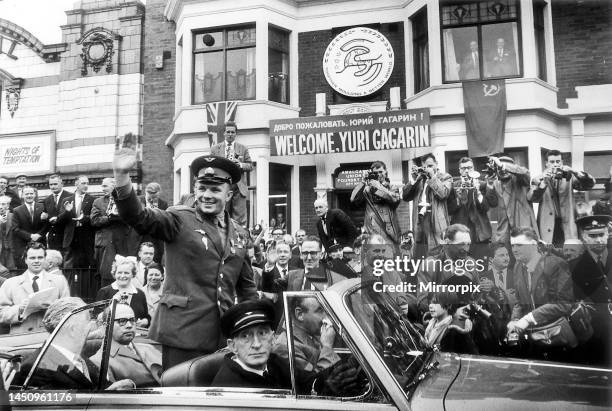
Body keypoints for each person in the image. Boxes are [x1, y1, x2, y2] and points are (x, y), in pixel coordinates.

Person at [113, 133, 257, 370]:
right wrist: (122, 177)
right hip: (182, 334)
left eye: (215, 189)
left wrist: (251, 327)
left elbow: (247, 288)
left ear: (229, 194)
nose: (206, 195)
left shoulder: (240, 233)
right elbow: (138, 217)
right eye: (202, 188)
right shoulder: (179, 219)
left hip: (223, 337)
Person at [21, 297, 135, 390]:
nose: (91, 326)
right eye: (88, 320)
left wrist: (118, 389)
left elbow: (103, 387)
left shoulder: (81, 359)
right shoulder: (37, 367)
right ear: (72, 328)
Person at [507, 228, 574, 342]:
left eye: (519, 245)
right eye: (512, 246)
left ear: (533, 244)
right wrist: (515, 319)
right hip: (534, 335)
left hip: (558, 334)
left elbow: (563, 304)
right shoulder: (518, 266)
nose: (514, 250)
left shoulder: (556, 264)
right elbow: (519, 301)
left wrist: (528, 319)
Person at [569, 215, 612, 366]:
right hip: (595, 335)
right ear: (583, 237)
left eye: (602, 234)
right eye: (592, 236)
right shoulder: (572, 267)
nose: (599, 240)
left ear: (608, 234)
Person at [528, 150, 595, 246]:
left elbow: (589, 185)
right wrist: (543, 184)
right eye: (552, 162)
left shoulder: (570, 177)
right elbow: (532, 198)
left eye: (558, 161)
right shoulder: (538, 179)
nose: (555, 165)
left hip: (568, 224)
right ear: (546, 164)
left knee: (570, 251)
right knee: (550, 254)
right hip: (548, 224)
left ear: (562, 162)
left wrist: (574, 171)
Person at [0, 243, 69, 334]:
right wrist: (20, 309)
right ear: (25, 260)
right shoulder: (11, 283)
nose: (36, 261)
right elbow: (1, 314)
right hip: (21, 339)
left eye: (40, 257)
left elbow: (68, 311)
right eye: (32, 258)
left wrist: (53, 308)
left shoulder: (59, 281)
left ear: (45, 259)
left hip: (50, 336)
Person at [91, 304, 162, 387]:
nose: (129, 325)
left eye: (132, 320)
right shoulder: (100, 362)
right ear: (106, 326)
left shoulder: (148, 347)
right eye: (122, 321)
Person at [91, 177, 138, 287]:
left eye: (105, 186)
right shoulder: (98, 202)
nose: (102, 189)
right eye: (102, 186)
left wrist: (119, 216)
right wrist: (109, 218)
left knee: (122, 273)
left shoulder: (124, 201)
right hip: (104, 245)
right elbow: (94, 220)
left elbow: (132, 218)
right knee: (104, 276)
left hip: (121, 243)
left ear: (114, 186)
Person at [402, 154, 453, 257]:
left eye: (430, 166)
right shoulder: (419, 179)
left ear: (436, 164)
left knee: (438, 252)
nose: (428, 169)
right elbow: (405, 197)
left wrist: (432, 177)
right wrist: (413, 179)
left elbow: (443, 193)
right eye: (425, 167)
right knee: (420, 252)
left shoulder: (445, 177)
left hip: (435, 221)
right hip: (419, 221)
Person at [273, 296, 340, 373]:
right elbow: (315, 379)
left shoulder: (312, 335)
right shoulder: (286, 347)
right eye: (320, 310)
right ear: (300, 314)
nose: (326, 317)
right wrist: (327, 347)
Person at [450, 157, 498, 260]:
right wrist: (458, 198)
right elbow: (449, 210)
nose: (466, 171)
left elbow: (490, 205)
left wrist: (479, 193)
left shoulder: (482, 184)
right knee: (461, 269)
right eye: (463, 168)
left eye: (469, 168)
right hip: (460, 236)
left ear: (473, 168)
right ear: (459, 170)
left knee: (482, 268)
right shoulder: (454, 186)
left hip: (480, 235)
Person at [210, 121, 254, 226]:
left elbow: (251, 166)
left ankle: (239, 240)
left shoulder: (243, 148)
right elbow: (211, 166)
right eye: (228, 132)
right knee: (221, 215)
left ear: (235, 134)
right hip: (223, 186)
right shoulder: (215, 149)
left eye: (232, 132)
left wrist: (240, 165)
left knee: (240, 219)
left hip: (238, 187)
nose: (230, 134)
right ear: (224, 133)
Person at [488, 156, 539, 244]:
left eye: (505, 168)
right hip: (504, 232)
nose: (503, 171)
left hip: (523, 229)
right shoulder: (495, 183)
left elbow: (524, 172)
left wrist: (502, 165)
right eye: (499, 168)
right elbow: (492, 203)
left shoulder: (521, 179)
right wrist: (489, 185)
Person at [351, 161, 402, 247]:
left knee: (389, 258)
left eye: (381, 172)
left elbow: (394, 199)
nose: (379, 175)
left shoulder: (393, 188)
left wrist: (378, 186)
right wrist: (363, 182)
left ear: (386, 172)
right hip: (372, 231)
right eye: (375, 173)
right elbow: (353, 199)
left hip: (389, 233)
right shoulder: (367, 189)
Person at [95, 257, 150, 328]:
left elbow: (146, 317)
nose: (123, 276)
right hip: (111, 336)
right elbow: (97, 319)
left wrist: (145, 321)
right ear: (114, 274)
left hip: (137, 336)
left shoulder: (140, 294)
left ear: (133, 274)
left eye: (126, 273)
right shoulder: (104, 292)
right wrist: (113, 304)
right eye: (119, 272)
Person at [57, 175, 95, 269]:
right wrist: (67, 211)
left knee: (85, 269)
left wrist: (84, 218)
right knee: (69, 268)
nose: (86, 186)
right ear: (76, 184)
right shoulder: (67, 200)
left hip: (86, 238)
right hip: (71, 239)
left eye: (87, 183)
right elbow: (60, 221)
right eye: (83, 183)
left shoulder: (92, 200)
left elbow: (94, 218)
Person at [12, 187, 47, 269]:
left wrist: (39, 234)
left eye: (31, 193)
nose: (29, 196)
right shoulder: (17, 210)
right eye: (26, 194)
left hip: (41, 243)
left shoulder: (43, 207)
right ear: (22, 195)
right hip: (24, 245)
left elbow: (47, 224)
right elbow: (15, 229)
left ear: (35, 195)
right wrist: (30, 236)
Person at [138, 182, 168, 263]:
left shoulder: (163, 204)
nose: (151, 198)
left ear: (159, 193)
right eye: (149, 194)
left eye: (154, 195)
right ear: (145, 192)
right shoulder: (138, 201)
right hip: (140, 237)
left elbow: (164, 221)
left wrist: (156, 212)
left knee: (155, 261)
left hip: (156, 238)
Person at [42, 174, 72, 253]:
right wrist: (44, 218)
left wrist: (58, 219)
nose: (53, 187)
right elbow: (46, 218)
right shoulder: (47, 200)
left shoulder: (70, 196)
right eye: (51, 184)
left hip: (66, 236)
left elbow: (72, 215)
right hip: (53, 238)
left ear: (61, 184)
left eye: (55, 184)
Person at [0, 195, 16, 272]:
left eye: (3, 204)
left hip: (12, 251)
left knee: (13, 273)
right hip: (1, 252)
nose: (0, 206)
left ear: (8, 205)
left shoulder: (14, 216)